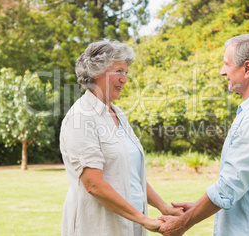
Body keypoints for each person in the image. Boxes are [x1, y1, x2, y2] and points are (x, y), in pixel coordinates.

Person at [158, 34, 249, 235]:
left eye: (226, 65)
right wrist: (197, 207)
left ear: (247, 69)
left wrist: (184, 223)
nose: (222, 72)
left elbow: (230, 185)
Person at [60, 40, 183, 236]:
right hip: (100, 227)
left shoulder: (118, 114)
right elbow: (93, 184)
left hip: (132, 225)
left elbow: (131, 174)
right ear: (96, 72)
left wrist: (163, 207)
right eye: (119, 71)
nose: (124, 79)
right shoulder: (80, 117)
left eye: (126, 73)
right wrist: (144, 219)